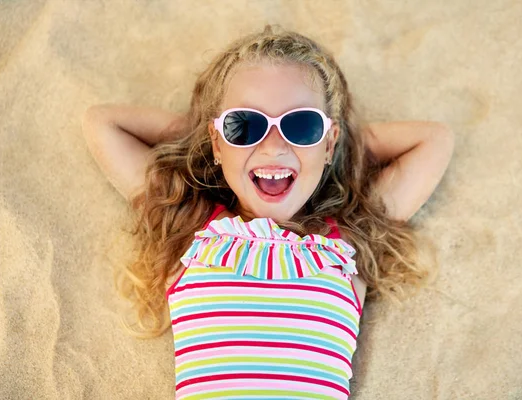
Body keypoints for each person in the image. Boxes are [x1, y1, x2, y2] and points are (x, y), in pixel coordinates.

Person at [82, 24, 454, 400]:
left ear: (329, 145)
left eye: (301, 124)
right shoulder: (192, 231)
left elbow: (434, 140)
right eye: (243, 125)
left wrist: (337, 147)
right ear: (216, 141)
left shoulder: (346, 245)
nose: (273, 146)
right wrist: (207, 137)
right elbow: (102, 123)